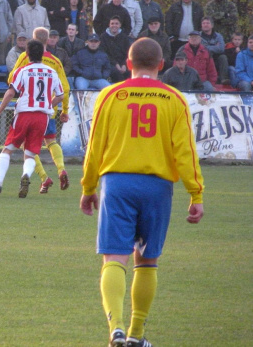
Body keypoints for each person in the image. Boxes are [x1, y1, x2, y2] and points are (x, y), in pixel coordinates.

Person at [80, 37, 204, 347]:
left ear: (129, 63)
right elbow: (185, 152)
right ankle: (136, 335)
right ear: (162, 65)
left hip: (117, 184)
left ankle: (116, 329)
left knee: (114, 258)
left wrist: (89, 187)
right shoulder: (174, 99)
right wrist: (195, 193)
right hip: (157, 187)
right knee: (147, 260)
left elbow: (94, 146)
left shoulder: (109, 96)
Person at [0, 39, 64, 198]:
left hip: (24, 114)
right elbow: (61, 95)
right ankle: (26, 175)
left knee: (7, 149)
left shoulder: (22, 70)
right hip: (42, 117)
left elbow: (10, 92)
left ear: (27, 54)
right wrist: (48, 104)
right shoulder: (51, 72)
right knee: (29, 153)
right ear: (42, 54)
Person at [8, 27, 70, 193]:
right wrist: (64, 110)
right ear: (48, 40)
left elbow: (11, 79)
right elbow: (65, 88)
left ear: (32, 40)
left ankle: (44, 177)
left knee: (28, 146)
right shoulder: (55, 61)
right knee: (51, 141)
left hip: (29, 110)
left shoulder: (25, 57)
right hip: (48, 110)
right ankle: (61, 169)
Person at [100, 15, 131, 83]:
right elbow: (104, 54)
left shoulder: (124, 37)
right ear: (109, 25)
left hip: (123, 63)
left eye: (116, 23)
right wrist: (116, 64)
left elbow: (128, 53)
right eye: (112, 23)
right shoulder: (103, 37)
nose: (114, 25)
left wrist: (124, 64)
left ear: (120, 25)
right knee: (116, 73)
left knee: (129, 72)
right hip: (109, 63)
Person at [200, 16, 229, 84]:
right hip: (203, 58)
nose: (205, 25)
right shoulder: (198, 36)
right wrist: (214, 46)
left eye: (207, 23)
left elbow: (221, 49)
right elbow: (201, 49)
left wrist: (207, 47)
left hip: (215, 58)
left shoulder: (218, 36)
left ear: (212, 25)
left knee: (223, 57)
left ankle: (224, 79)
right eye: (203, 23)